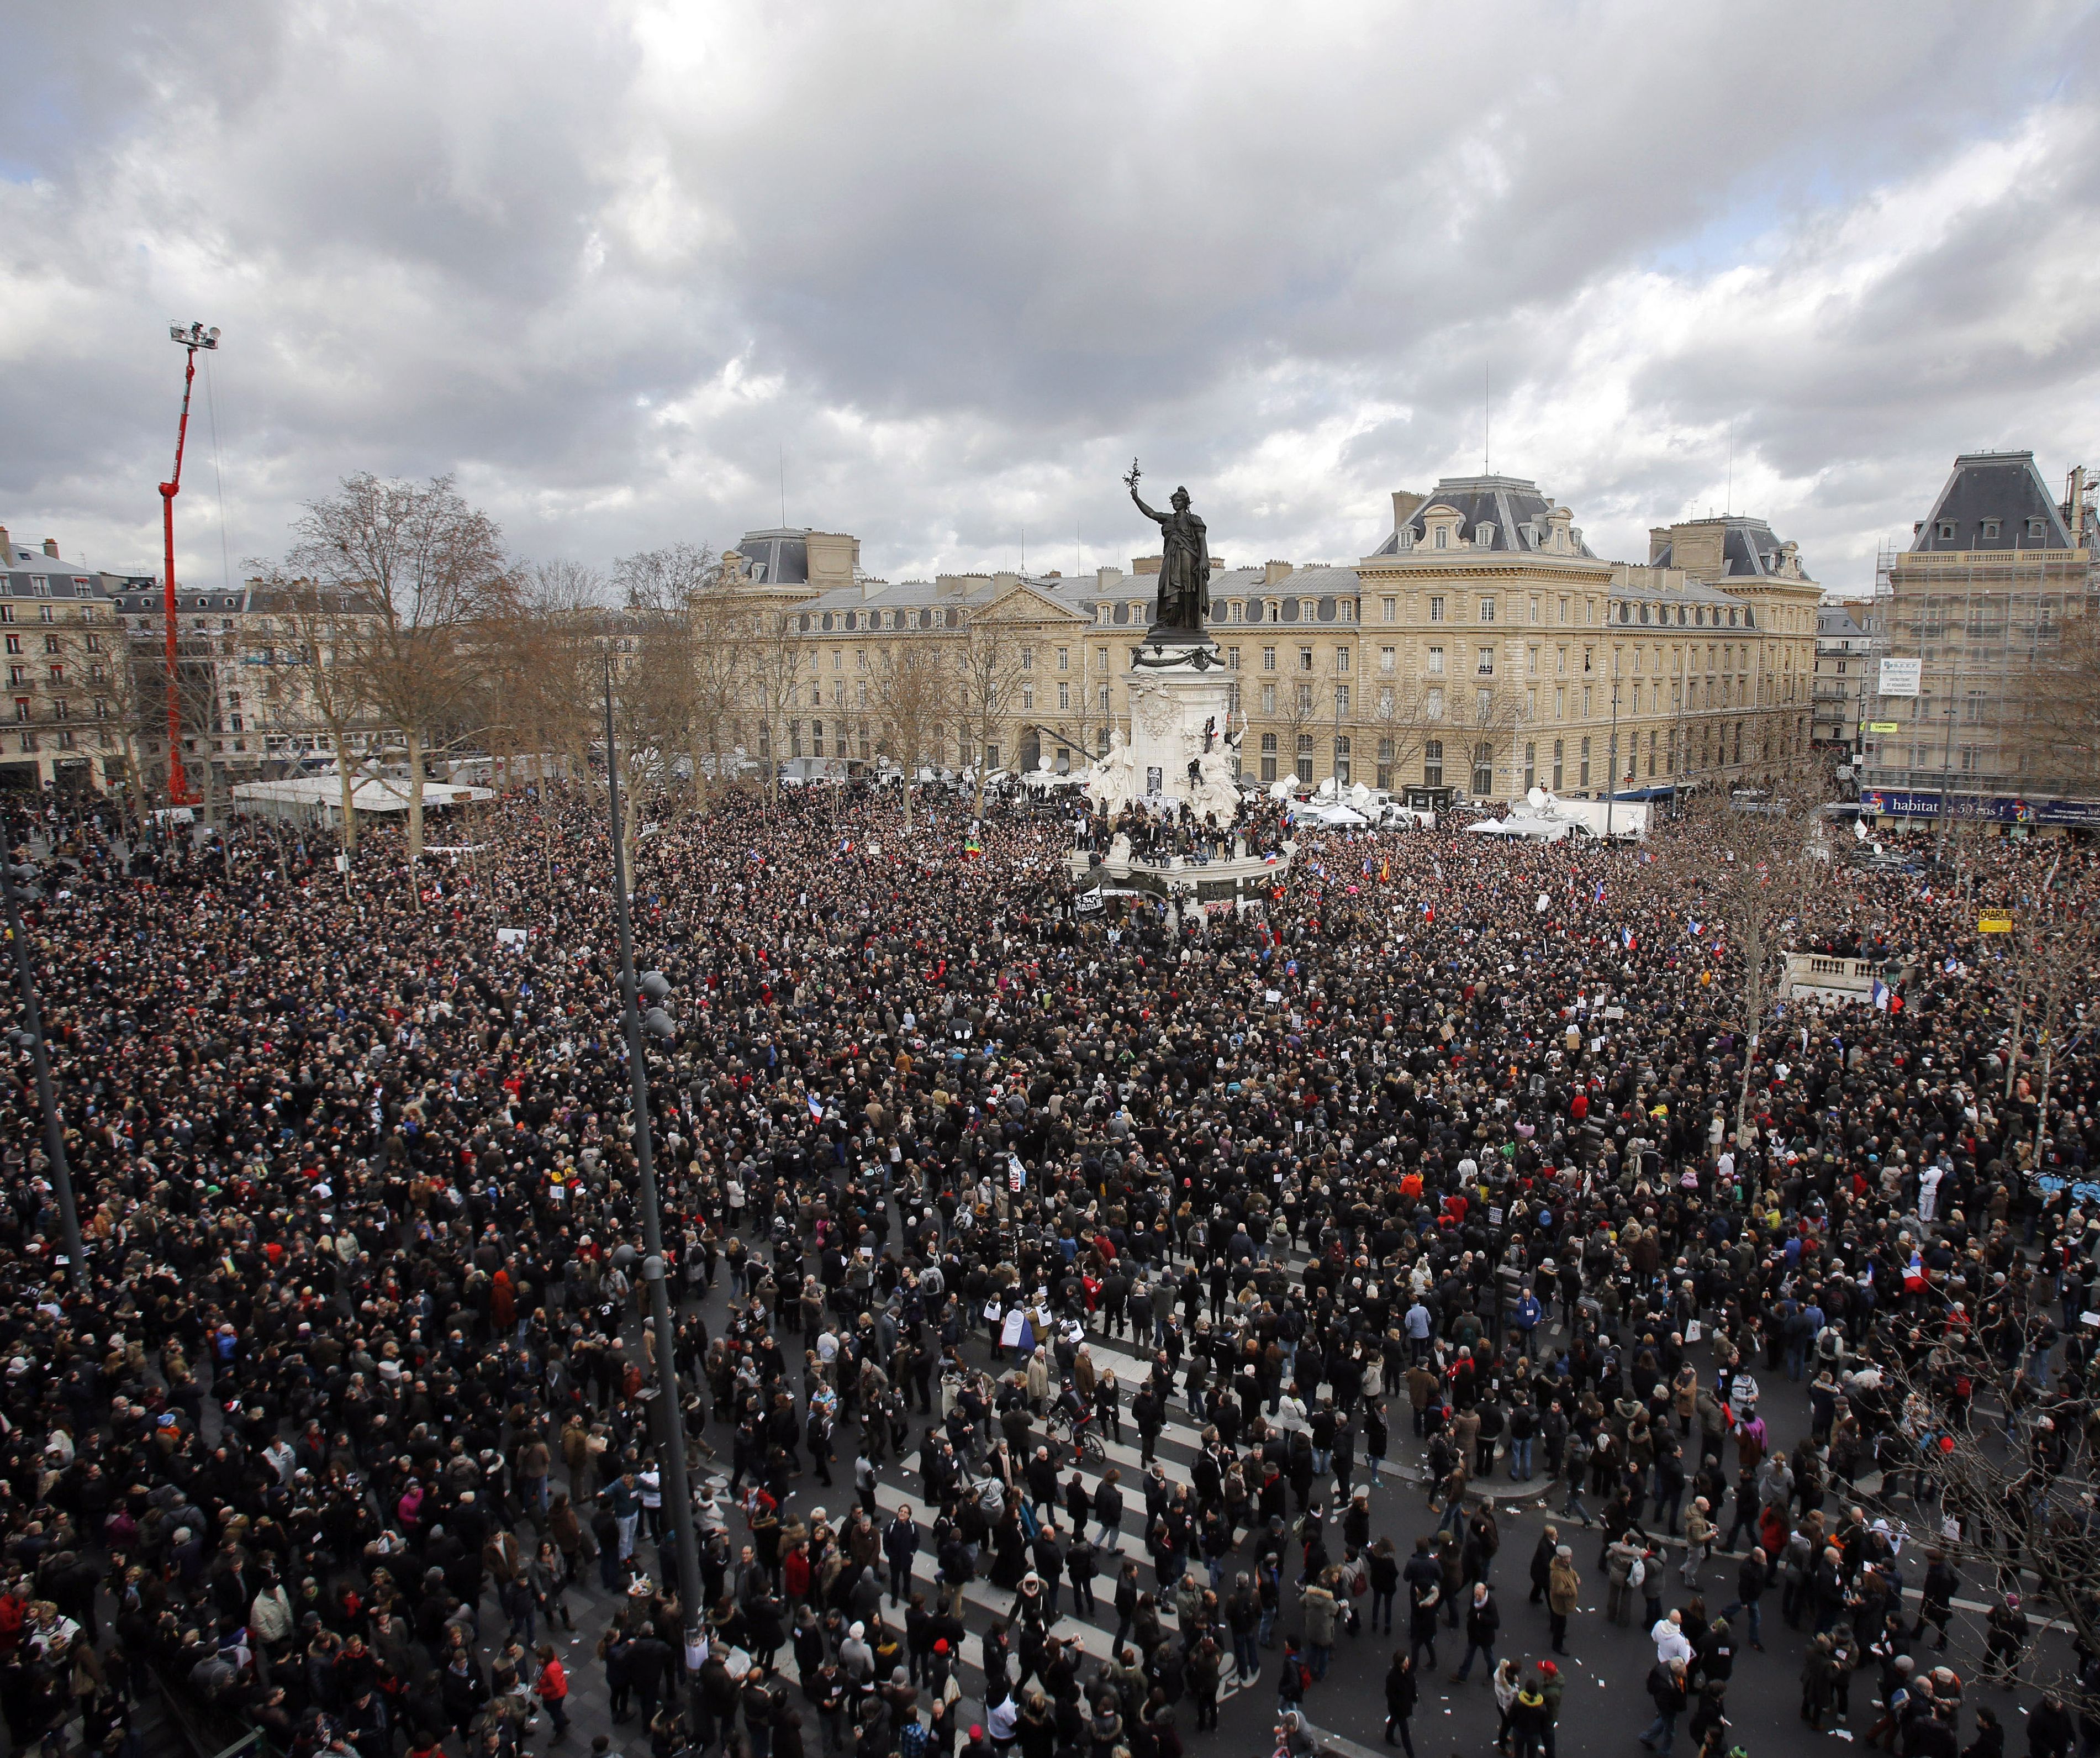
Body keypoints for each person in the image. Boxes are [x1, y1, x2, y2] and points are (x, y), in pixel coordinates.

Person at [1453, 1582, 1499, 1685]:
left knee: (1488, 1657)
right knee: (1469, 1655)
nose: (1477, 1597)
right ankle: (1462, 1676)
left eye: (1479, 1595)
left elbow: (1496, 1623)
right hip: (1474, 1635)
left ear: (1485, 1593)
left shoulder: (1490, 1604)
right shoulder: (1475, 1600)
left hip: (1485, 1637)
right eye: (1476, 1595)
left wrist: (1482, 1618)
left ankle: (1493, 1675)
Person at [1383, 1651, 1417, 1756]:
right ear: (1399, 1664)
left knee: (1393, 1720)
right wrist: (1399, 1706)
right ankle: (1411, 1755)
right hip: (1399, 1709)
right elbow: (1389, 1694)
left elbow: (1412, 1683)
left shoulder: (1407, 1671)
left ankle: (1389, 1736)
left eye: (1408, 1661)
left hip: (1403, 1706)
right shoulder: (1392, 1677)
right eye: (1405, 1662)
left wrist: (1414, 1696)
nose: (1408, 1664)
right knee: (1405, 1733)